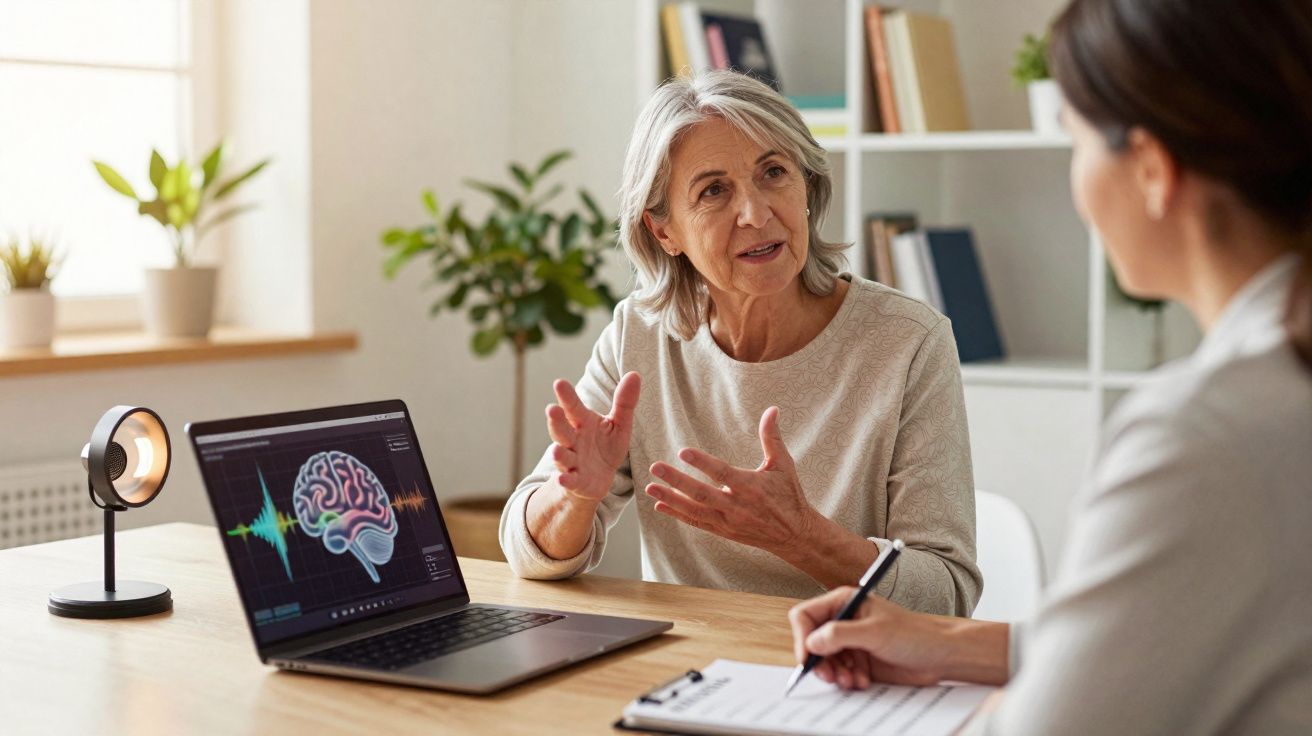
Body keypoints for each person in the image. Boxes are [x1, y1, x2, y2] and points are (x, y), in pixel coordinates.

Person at [787, 0, 1312, 732]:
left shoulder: (1203, 437)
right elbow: (1161, 629)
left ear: (1153, 169)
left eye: (1074, 139)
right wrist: (946, 641)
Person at [498, 70, 981, 614]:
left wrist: (801, 537)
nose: (755, 213)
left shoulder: (908, 343)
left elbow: (947, 596)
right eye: (713, 191)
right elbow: (527, 553)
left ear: (807, 188)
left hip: (848, 669)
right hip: (690, 673)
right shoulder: (640, 334)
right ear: (664, 231)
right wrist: (576, 497)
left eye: (774, 172)